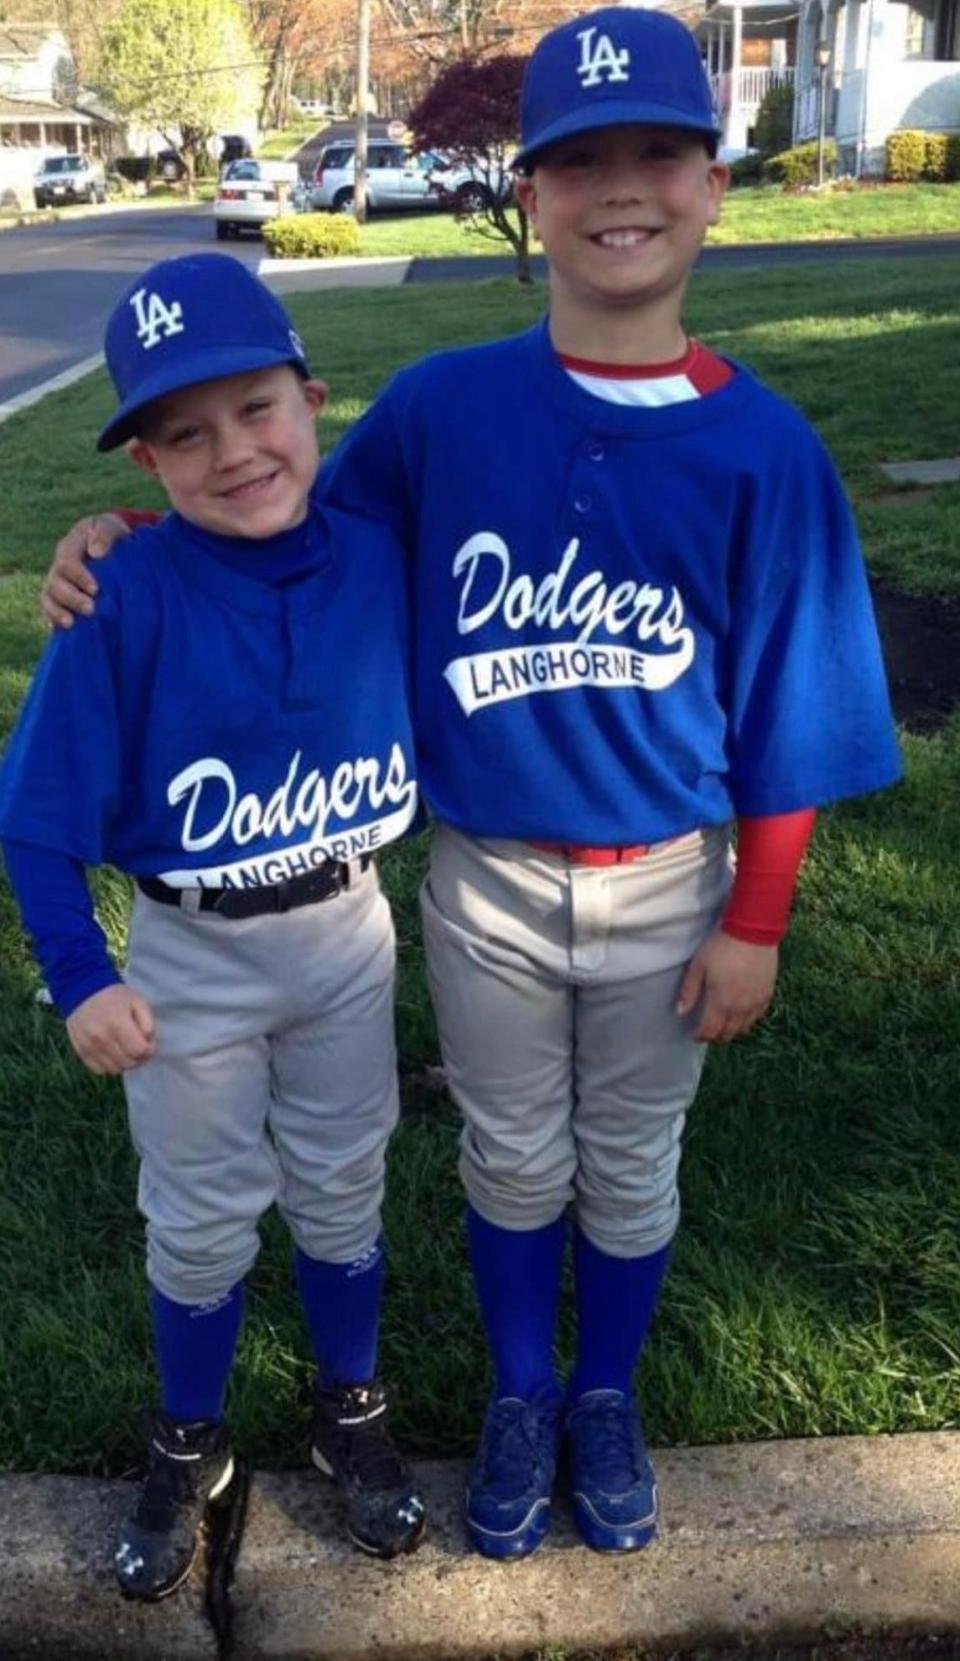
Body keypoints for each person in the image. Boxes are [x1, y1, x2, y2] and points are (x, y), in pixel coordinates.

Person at [40, 9, 902, 1564]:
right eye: (578, 159)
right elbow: (277, 526)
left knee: (634, 1157)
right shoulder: (444, 406)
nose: (618, 188)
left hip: (671, 875)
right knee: (512, 1148)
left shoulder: (768, 451)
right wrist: (120, 536)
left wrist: (758, 917)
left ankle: (603, 1391)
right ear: (529, 187)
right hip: (488, 878)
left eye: (656, 152)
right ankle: (518, 1389)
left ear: (713, 184)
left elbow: (794, 714)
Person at [1, 253, 427, 1599]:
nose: (233, 450)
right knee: (196, 1216)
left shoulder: (383, 546)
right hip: (188, 952)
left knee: (344, 1179)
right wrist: (79, 973)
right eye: (182, 433)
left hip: (347, 934)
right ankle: (189, 1438)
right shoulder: (119, 592)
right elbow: (36, 812)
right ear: (148, 458)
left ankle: (348, 1403)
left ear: (312, 397)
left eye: (255, 408)